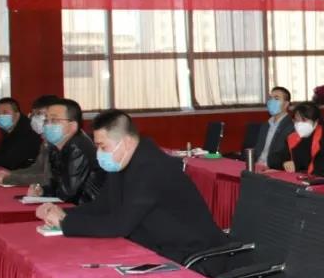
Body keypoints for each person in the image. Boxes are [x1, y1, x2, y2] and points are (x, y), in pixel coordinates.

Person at [35, 110, 227, 267]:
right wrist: (62, 213)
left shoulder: (152, 168)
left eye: (103, 147)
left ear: (126, 142)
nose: (99, 153)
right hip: (157, 247)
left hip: (192, 256)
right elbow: (102, 206)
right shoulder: (122, 161)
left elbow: (120, 225)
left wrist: (66, 223)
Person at [32, 98, 105, 205]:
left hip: (91, 207)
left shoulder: (77, 147)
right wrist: (42, 190)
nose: (47, 124)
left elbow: (68, 193)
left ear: (72, 126)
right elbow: (56, 184)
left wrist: (47, 192)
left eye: (54, 120)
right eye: (46, 120)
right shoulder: (55, 146)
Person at [0, 94, 60, 186]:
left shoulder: (61, 142)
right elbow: (37, 168)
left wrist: (11, 178)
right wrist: (12, 174)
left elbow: (49, 179)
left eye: (39, 114)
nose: (34, 118)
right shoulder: (46, 141)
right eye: (33, 114)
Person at [282, 102, 324, 176]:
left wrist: (298, 166)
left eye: (304, 120)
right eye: (296, 120)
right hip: (301, 178)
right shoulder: (293, 137)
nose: (299, 124)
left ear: (316, 122)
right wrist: (284, 162)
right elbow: (278, 157)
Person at [255, 86, 295, 170]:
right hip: (256, 165)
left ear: (286, 104)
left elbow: (286, 157)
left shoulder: (292, 126)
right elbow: (257, 150)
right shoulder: (265, 125)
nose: (272, 101)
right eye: (270, 98)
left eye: (276, 98)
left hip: (273, 168)